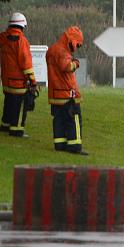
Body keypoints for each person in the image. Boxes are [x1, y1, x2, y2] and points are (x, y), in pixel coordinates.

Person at [46, 26, 87, 155]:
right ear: (72, 41)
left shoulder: (51, 50)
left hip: (55, 94)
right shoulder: (63, 52)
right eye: (77, 45)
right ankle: (75, 147)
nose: (76, 48)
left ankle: (60, 144)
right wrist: (76, 63)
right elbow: (67, 67)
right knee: (73, 119)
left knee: (58, 120)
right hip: (67, 94)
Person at [0, 12, 38, 137]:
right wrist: (32, 80)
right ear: (22, 26)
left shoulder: (3, 38)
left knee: (9, 102)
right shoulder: (21, 41)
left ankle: (5, 125)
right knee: (20, 105)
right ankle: (17, 129)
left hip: (6, 80)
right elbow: (25, 62)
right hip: (18, 81)